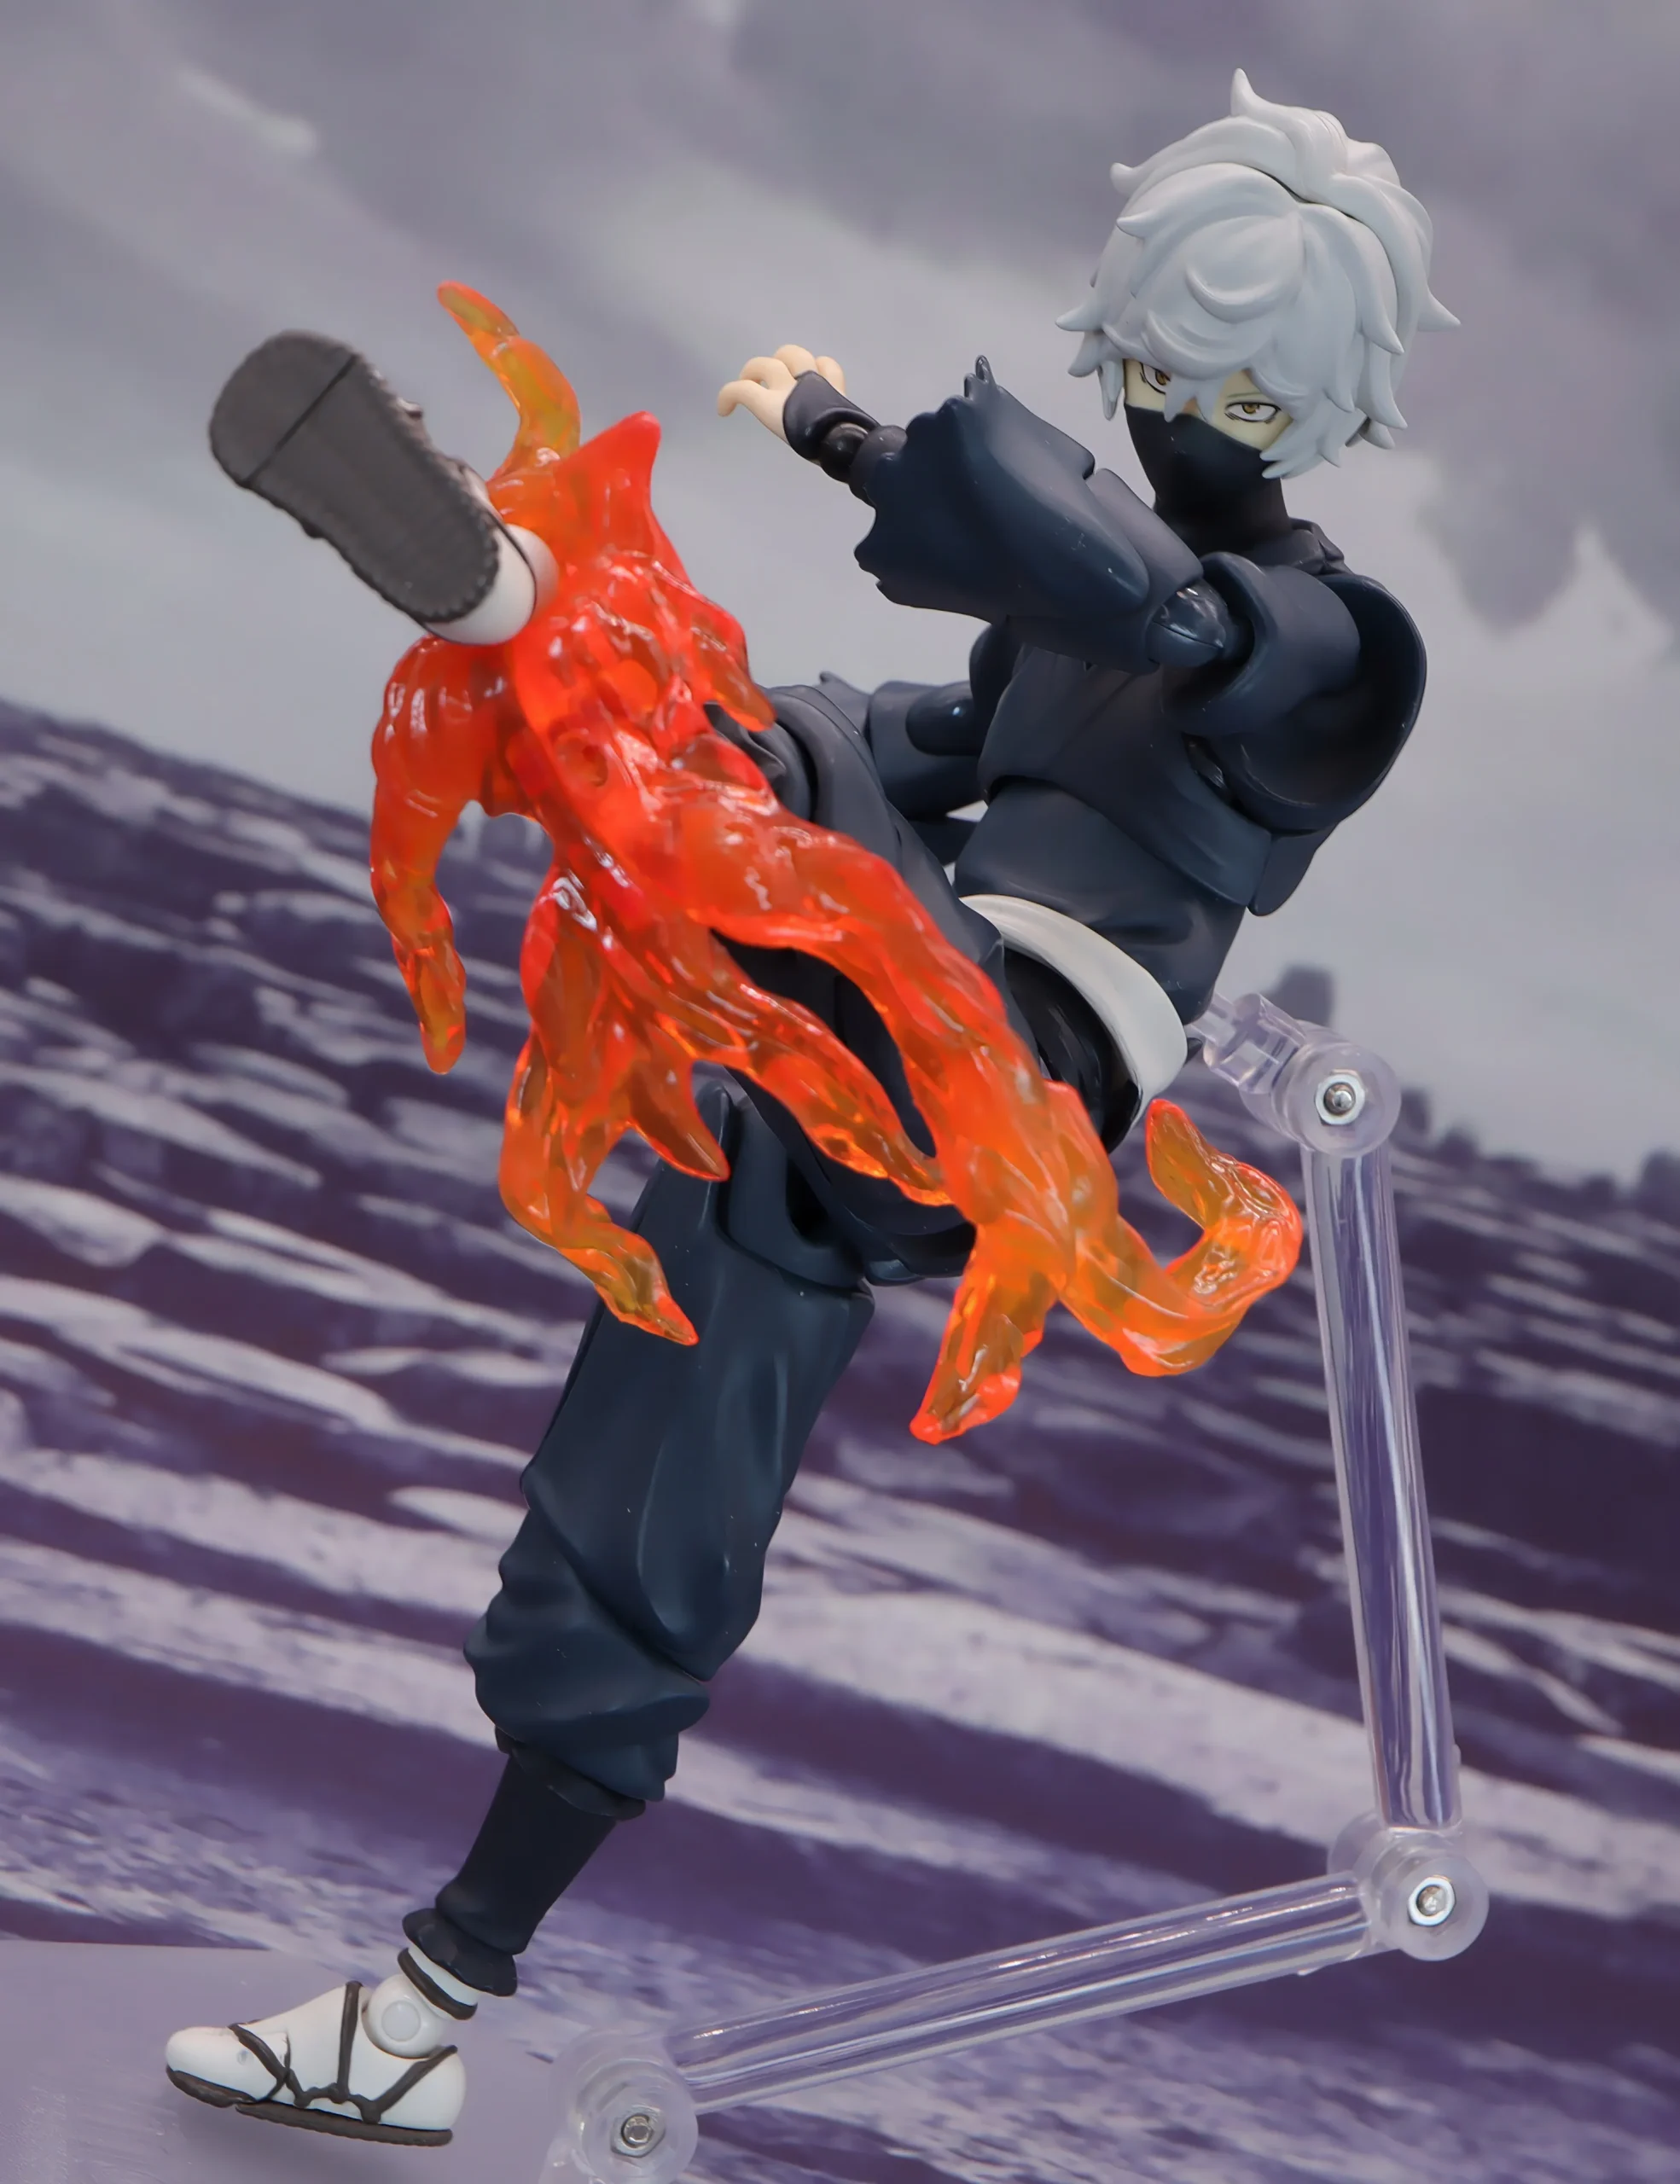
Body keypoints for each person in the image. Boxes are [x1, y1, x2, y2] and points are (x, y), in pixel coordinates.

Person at [165, 70, 1451, 2144]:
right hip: (856, 1066)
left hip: (1013, 1070)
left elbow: (1160, 606)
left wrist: (854, 438)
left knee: (789, 857)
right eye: (1138, 366)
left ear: (1313, 407)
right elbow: (902, 731)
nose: (1164, 411)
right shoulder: (1062, 645)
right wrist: (669, 694)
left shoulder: (1332, 646)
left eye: (1218, 387)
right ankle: (416, 2014)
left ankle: (541, 619)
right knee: (648, 1470)